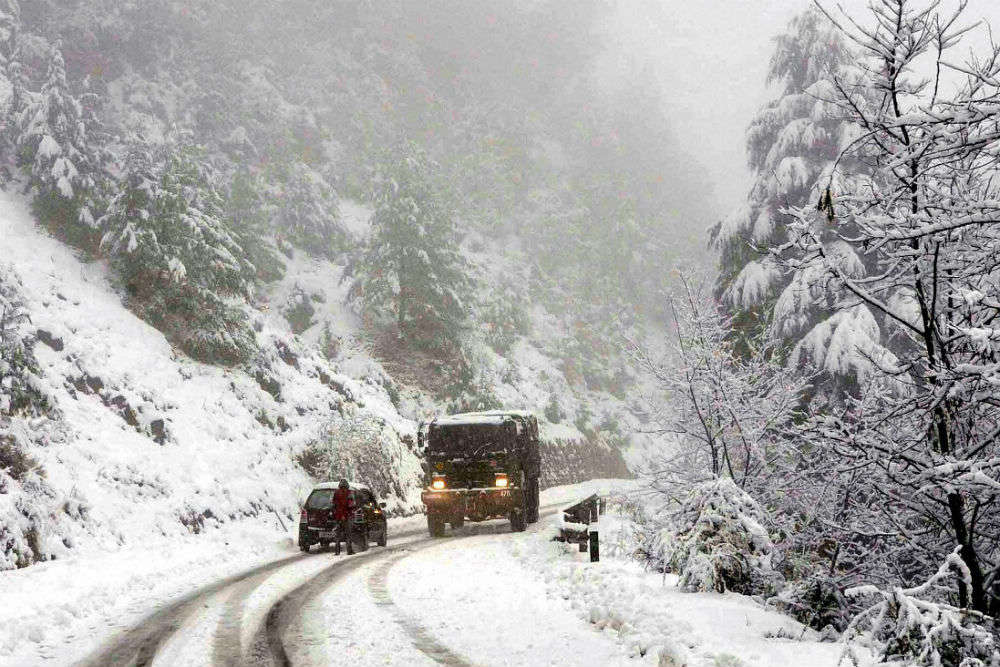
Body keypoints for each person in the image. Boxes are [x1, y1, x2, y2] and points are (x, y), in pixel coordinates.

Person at [332, 478, 355, 555]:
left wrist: (338, 514)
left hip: (338, 516)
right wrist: (345, 514)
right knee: (348, 534)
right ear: (347, 485)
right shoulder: (349, 493)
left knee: (337, 534)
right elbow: (351, 505)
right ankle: (349, 550)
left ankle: (337, 551)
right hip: (347, 516)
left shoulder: (336, 493)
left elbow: (334, 504)